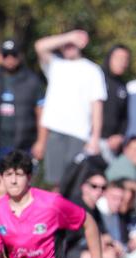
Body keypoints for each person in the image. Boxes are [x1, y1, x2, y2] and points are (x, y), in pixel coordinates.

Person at [35, 29, 106, 186]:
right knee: (54, 182)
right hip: (55, 131)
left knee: (74, 181)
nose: (68, 47)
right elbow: (40, 46)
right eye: (65, 45)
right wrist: (68, 37)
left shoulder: (93, 70)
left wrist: (95, 138)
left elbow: (97, 107)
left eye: (72, 44)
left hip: (79, 133)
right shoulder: (55, 65)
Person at [0, 39, 46, 163]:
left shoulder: (32, 80)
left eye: (14, 55)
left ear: (20, 56)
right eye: (6, 55)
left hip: (24, 143)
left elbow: (41, 111)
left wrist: (41, 142)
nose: (10, 59)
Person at [100, 45, 131, 164]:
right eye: (119, 58)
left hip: (111, 145)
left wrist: (120, 136)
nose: (122, 62)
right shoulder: (97, 78)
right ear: (109, 58)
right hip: (90, 140)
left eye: (125, 59)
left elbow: (125, 117)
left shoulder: (123, 86)